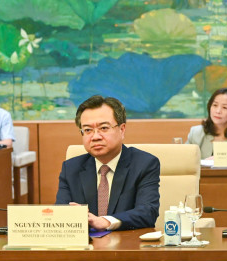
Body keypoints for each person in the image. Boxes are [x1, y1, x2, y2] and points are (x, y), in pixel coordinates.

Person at [56, 95, 159, 230]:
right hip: (87, 248)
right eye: (87, 130)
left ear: (122, 130)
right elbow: (61, 214)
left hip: (127, 246)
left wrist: (105, 221)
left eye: (104, 128)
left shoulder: (144, 164)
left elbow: (148, 212)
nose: (95, 137)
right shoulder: (71, 168)